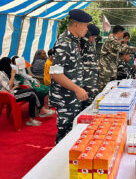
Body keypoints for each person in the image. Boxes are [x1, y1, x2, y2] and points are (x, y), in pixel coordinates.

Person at [50, 9, 91, 143]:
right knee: (64, 134)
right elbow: (56, 73)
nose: (86, 29)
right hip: (65, 98)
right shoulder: (64, 42)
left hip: (72, 96)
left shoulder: (74, 41)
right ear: (76, 25)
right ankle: (57, 163)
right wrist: (77, 89)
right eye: (85, 25)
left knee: (72, 132)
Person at [0, 57, 54, 126]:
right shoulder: (1, 74)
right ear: (6, 64)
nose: (11, 65)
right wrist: (13, 75)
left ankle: (31, 119)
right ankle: (41, 110)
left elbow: (16, 83)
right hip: (9, 95)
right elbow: (9, 87)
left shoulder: (7, 72)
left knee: (32, 96)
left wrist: (15, 83)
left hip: (14, 91)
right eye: (10, 63)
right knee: (32, 91)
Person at [99, 25, 136, 92]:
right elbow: (123, 48)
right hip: (106, 73)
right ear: (119, 32)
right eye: (123, 33)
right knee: (105, 93)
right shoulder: (111, 41)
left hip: (110, 71)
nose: (123, 35)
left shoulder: (114, 40)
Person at [81, 24, 101, 110]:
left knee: (93, 100)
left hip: (92, 77)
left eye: (95, 37)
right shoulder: (82, 43)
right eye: (92, 37)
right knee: (86, 103)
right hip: (85, 78)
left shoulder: (91, 44)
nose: (93, 39)